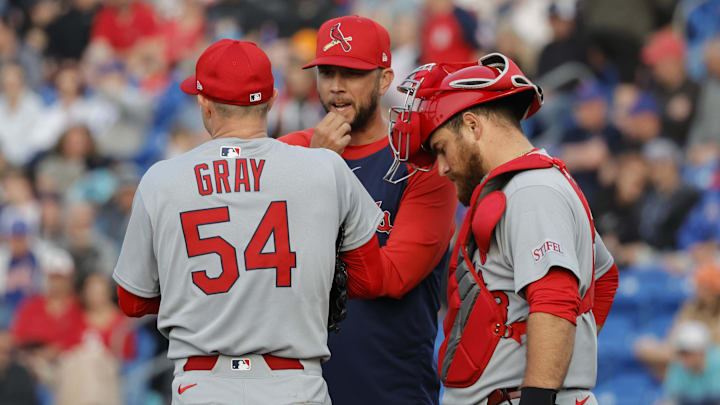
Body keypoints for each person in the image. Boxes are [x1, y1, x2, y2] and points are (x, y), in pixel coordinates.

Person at [112, 39, 388, 405]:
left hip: (201, 385)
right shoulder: (325, 167)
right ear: (272, 99)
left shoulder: (161, 179)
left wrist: (196, 291)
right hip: (294, 385)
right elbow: (370, 280)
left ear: (204, 104)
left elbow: (132, 301)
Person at [385, 53, 619, 404]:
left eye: (442, 149)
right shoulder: (526, 186)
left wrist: (542, 392)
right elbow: (605, 277)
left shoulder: (531, 191)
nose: (442, 169)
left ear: (472, 126)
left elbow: (555, 301)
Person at [279, 15, 457, 405]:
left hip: (389, 386)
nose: (337, 86)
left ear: (384, 79)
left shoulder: (422, 163)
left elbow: (389, 279)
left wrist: (320, 173)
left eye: (353, 73)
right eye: (326, 72)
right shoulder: (289, 148)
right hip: (297, 383)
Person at [663, 321, 720, 404]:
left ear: (700, 351)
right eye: (681, 353)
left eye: (687, 353)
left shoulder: (717, 362)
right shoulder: (677, 365)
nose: (683, 358)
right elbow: (673, 395)